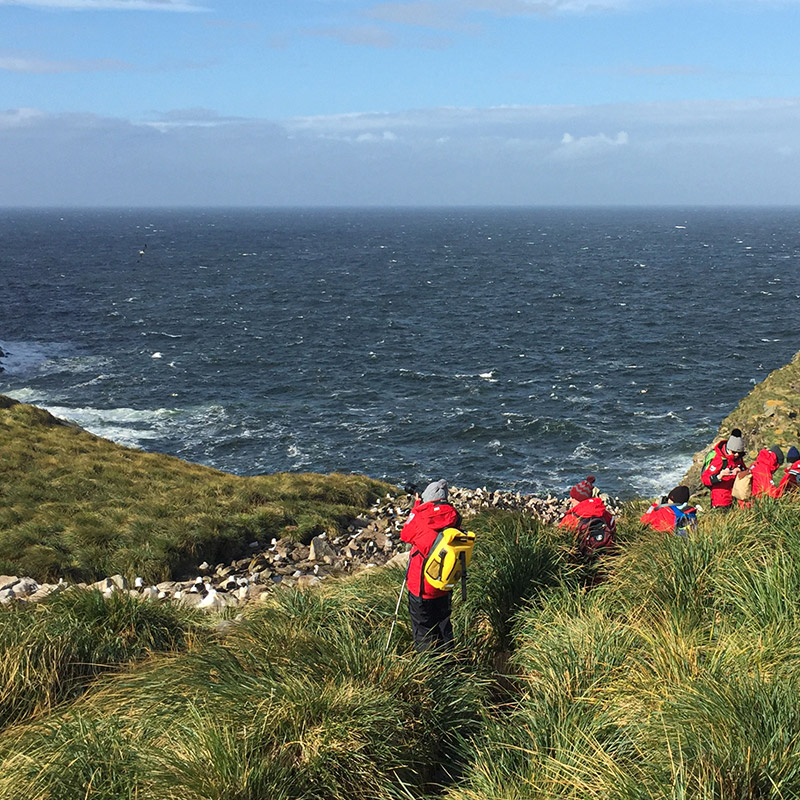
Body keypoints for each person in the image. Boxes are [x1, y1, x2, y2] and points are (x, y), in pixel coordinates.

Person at [400, 479, 461, 653]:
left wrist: (417, 505)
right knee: (443, 626)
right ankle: (450, 666)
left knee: (423, 631)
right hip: (443, 583)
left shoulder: (420, 516)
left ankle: (430, 671)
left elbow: (405, 534)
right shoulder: (454, 517)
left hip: (421, 587)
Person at [559, 476, 617, 556]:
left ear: (579, 500)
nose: (570, 499)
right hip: (607, 555)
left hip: (583, 558)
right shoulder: (604, 513)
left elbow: (560, 539)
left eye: (572, 497)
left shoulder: (571, 518)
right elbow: (613, 531)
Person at [701, 428, 748, 511]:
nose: (736, 455)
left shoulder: (738, 458)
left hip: (735, 498)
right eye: (734, 452)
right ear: (728, 449)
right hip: (720, 502)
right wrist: (720, 476)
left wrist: (740, 471)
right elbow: (705, 479)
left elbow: (745, 470)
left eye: (739, 453)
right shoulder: (719, 459)